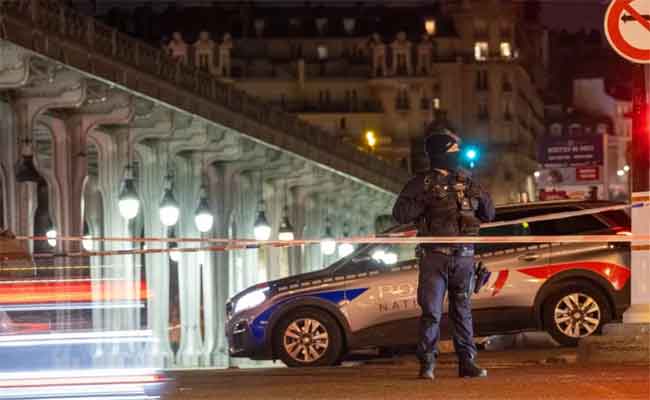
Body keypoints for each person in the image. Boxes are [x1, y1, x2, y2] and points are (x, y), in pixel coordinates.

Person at [392, 119, 495, 380]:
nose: (457, 156)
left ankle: (467, 362)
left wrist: (479, 192)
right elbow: (400, 213)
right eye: (453, 151)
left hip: (464, 257)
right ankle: (427, 364)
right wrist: (429, 197)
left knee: (463, 312)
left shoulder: (467, 180)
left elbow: (489, 214)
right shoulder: (422, 183)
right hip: (435, 256)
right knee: (431, 313)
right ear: (440, 153)